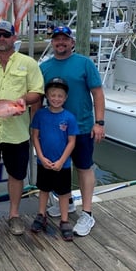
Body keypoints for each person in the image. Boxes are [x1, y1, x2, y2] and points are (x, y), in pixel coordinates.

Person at [0, 20, 44, 235]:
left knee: (16, 174)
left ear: (14, 37)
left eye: (6, 34)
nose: (1, 38)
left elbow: (37, 91)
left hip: (17, 131)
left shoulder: (29, 63)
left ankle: (14, 214)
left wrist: (22, 101)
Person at [40, 26, 106, 236]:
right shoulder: (45, 67)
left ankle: (87, 213)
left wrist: (100, 123)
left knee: (84, 168)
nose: (61, 42)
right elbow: (38, 98)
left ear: (72, 42)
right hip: (55, 131)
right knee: (58, 168)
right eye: (57, 39)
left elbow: (97, 93)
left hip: (83, 126)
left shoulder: (85, 63)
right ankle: (66, 203)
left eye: (65, 39)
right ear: (52, 43)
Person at [30, 77, 79, 241]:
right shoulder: (40, 115)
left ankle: (64, 220)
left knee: (64, 193)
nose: (56, 99)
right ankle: (41, 215)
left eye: (60, 96)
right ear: (47, 96)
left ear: (65, 98)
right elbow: (35, 137)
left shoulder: (69, 118)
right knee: (43, 190)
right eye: (53, 95)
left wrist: (61, 161)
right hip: (44, 162)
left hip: (62, 164)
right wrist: (41, 157)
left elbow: (72, 141)